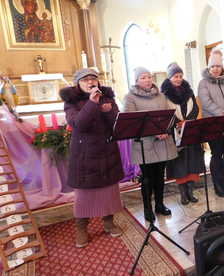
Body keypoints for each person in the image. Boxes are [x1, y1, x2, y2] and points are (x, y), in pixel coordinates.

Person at [60, 68, 123, 248]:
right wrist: (92, 104)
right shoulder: (71, 102)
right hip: (84, 154)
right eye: (85, 80)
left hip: (107, 151)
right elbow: (78, 124)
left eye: (93, 79)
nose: (90, 83)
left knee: (109, 191)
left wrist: (109, 111)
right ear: (78, 84)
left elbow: (117, 123)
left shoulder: (108, 97)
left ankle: (108, 222)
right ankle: (81, 228)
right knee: (84, 195)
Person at [123, 67, 177, 222]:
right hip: (144, 144)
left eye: (149, 77)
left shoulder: (161, 96)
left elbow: (169, 115)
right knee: (147, 178)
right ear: (136, 81)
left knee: (160, 176)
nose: (147, 80)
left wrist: (166, 130)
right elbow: (131, 122)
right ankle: (147, 208)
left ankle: (159, 205)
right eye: (143, 78)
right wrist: (155, 132)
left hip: (162, 141)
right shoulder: (130, 98)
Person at [198, 49, 224, 197]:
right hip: (213, 124)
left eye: (218, 66)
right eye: (213, 66)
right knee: (217, 155)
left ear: (222, 67)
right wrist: (222, 113)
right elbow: (205, 101)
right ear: (209, 68)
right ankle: (218, 185)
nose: (216, 69)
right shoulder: (203, 83)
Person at [162, 63, 204, 205]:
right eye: (175, 76)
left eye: (180, 76)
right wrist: (178, 123)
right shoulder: (165, 94)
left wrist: (188, 121)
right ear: (169, 78)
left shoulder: (189, 91)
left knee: (193, 162)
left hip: (190, 131)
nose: (178, 79)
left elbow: (195, 108)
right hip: (175, 133)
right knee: (180, 163)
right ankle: (183, 194)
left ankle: (190, 191)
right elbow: (166, 113)